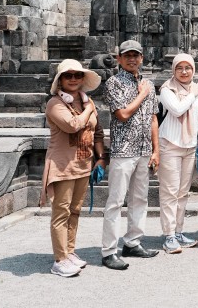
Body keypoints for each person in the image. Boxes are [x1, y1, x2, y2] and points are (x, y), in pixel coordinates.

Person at [101, 40, 160, 270]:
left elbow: (154, 118)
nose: (132, 59)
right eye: (127, 55)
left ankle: (133, 242)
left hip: (145, 150)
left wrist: (157, 150)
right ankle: (108, 251)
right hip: (123, 150)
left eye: (136, 55)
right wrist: (142, 94)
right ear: (119, 59)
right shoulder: (113, 83)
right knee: (115, 201)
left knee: (140, 199)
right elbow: (123, 114)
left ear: (142, 58)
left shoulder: (148, 83)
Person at [43, 59, 105, 277]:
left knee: (75, 211)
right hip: (62, 164)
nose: (73, 79)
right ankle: (59, 259)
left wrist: (100, 157)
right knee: (61, 212)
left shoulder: (85, 101)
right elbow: (72, 125)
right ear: (60, 80)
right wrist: (89, 109)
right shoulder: (55, 104)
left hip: (83, 163)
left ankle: (69, 251)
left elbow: (97, 131)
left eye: (77, 75)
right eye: (68, 75)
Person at [158, 53, 198, 253]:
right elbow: (177, 110)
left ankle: (178, 231)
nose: (184, 72)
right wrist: (192, 94)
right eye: (180, 68)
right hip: (170, 144)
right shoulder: (167, 89)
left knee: (183, 192)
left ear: (193, 70)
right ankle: (168, 235)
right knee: (170, 192)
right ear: (173, 70)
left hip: (190, 145)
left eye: (188, 68)